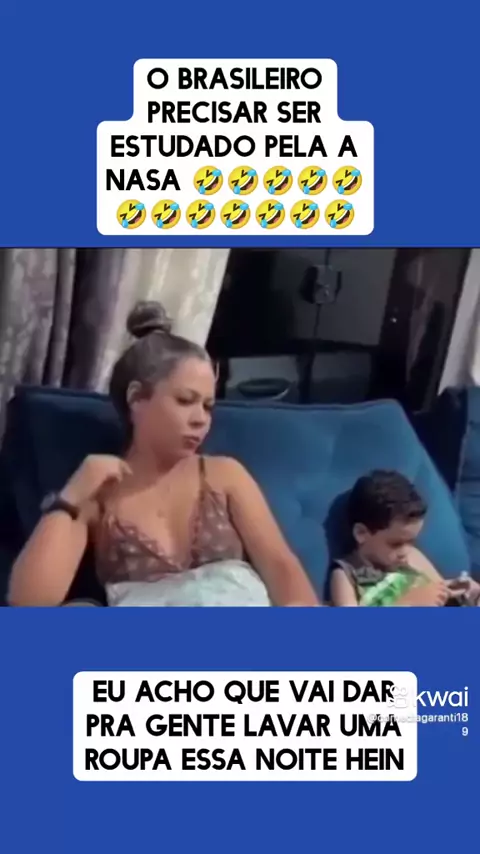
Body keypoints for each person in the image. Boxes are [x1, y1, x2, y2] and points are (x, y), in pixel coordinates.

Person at [8, 301, 320, 608]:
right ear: (136, 397)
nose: (201, 419)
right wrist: (72, 495)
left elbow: (280, 565)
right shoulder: (98, 492)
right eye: (185, 400)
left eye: (208, 406)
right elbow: (30, 602)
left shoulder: (224, 474)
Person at [330, 470, 480, 607]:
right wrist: (407, 603)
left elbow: (437, 591)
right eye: (396, 544)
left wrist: (457, 592)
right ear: (361, 533)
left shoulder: (413, 557)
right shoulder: (347, 575)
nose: (405, 552)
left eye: (411, 542)